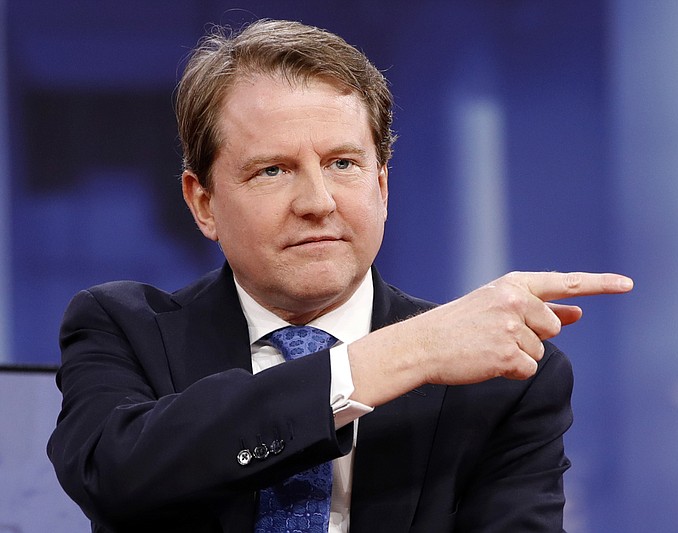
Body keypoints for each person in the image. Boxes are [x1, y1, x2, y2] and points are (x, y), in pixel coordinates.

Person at [47, 19, 633, 533]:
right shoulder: (123, 329)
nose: (318, 201)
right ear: (203, 202)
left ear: (381, 186)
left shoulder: (503, 376)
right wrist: (397, 358)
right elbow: (116, 476)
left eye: (343, 164)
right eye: (273, 170)